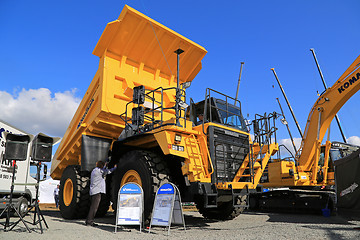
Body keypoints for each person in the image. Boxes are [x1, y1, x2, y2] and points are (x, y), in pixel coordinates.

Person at [85, 161, 117, 227]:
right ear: (101, 166)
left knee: (93, 207)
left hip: (93, 191)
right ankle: (89, 222)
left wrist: (104, 166)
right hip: (97, 192)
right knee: (94, 208)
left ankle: (89, 221)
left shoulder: (94, 170)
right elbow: (108, 171)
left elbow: (103, 170)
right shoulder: (100, 171)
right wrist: (115, 168)